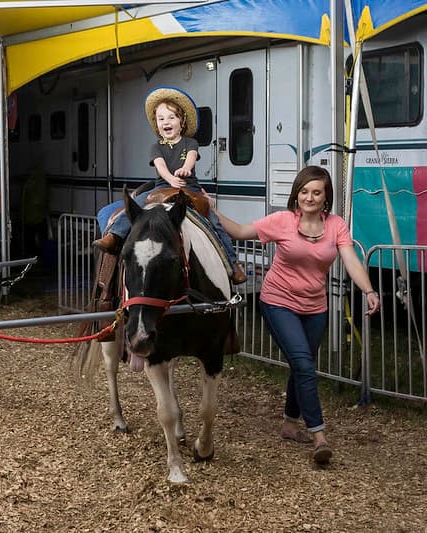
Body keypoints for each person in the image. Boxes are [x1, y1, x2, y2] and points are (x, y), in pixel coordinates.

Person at [203, 165, 381, 465]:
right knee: (303, 364)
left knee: (303, 365)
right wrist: (212, 210)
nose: (309, 197)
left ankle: (289, 423)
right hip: (278, 302)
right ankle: (319, 435)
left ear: (326, 197)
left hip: (315, 307)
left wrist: (369, 290)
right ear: (296, 194)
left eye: (316, 192)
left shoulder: (336, 225)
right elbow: (241, 232)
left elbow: (351, 260)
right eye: (304, 191)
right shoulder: (283, 221)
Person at [93, 86, 246, 284]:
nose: (166, 122)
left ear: (181, 122)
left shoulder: (190, 143)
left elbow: (191, 159)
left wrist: (185, 169)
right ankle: (115, 236)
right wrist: (171, 178)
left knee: (213, 222)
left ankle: (232, 263)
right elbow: (160, 166)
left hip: (189, 188)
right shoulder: (156, 147)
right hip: (162, 187)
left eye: (172, 117)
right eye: (161, 118)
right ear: (157, 125)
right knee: (134, 206)